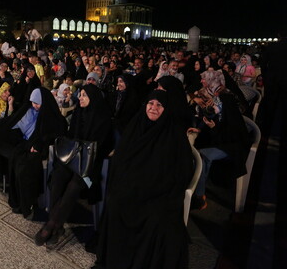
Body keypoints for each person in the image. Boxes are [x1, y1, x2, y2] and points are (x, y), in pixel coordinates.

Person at [94, 89, 194, 269]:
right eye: (150, 103)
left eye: (159, 105)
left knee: (154, 218)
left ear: (166, 109)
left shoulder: (174, 133)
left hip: (158, 192)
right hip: (132, 186)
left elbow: (182, 170)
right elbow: (121, 159)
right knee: (115, 203)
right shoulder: (136, 126)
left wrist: (155, 186)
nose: (153, 108)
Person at [35, 84, 113, 246]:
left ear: (93, 98)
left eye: (84, 95)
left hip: (90, 166)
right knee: (57, 178)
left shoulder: (103, 119)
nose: (81, 98)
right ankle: (57, 226)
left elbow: (103, 148)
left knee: (74, 185)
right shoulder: (78, 113)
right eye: (81, 94)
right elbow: (70, 137)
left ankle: (51, 225)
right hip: (72, 159)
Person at [0, 88, 67, 218]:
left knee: (24, 168)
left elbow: (56, 135)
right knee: (13, 158)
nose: (34, 105)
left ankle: (28, 203)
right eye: (33, 102)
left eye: (37, 103)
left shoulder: (54, 117)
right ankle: (19, 201)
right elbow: (15, 123)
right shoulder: (30, 110)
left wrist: (38, 144)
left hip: (40, 149)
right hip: (26, 145)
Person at [189, 70, 251, 210]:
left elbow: (231, 132)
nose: (202, 82)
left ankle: (199, 197)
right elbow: (217, 121)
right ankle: (197, 190)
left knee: (202, 156)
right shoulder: (216, 96)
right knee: (198, 149)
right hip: (223, 140)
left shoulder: (226, 99)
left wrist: (213, 128)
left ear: (213, 81)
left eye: (205, 79)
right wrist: (203, 129)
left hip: (234, 146)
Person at [108, 74, 140, 143]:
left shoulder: (133, 97)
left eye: (121, 81)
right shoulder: (115, 94)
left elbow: (131, 115)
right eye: (118, 82)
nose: (118, 84)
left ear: (127, 82)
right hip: (113, 125)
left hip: (125, 127)